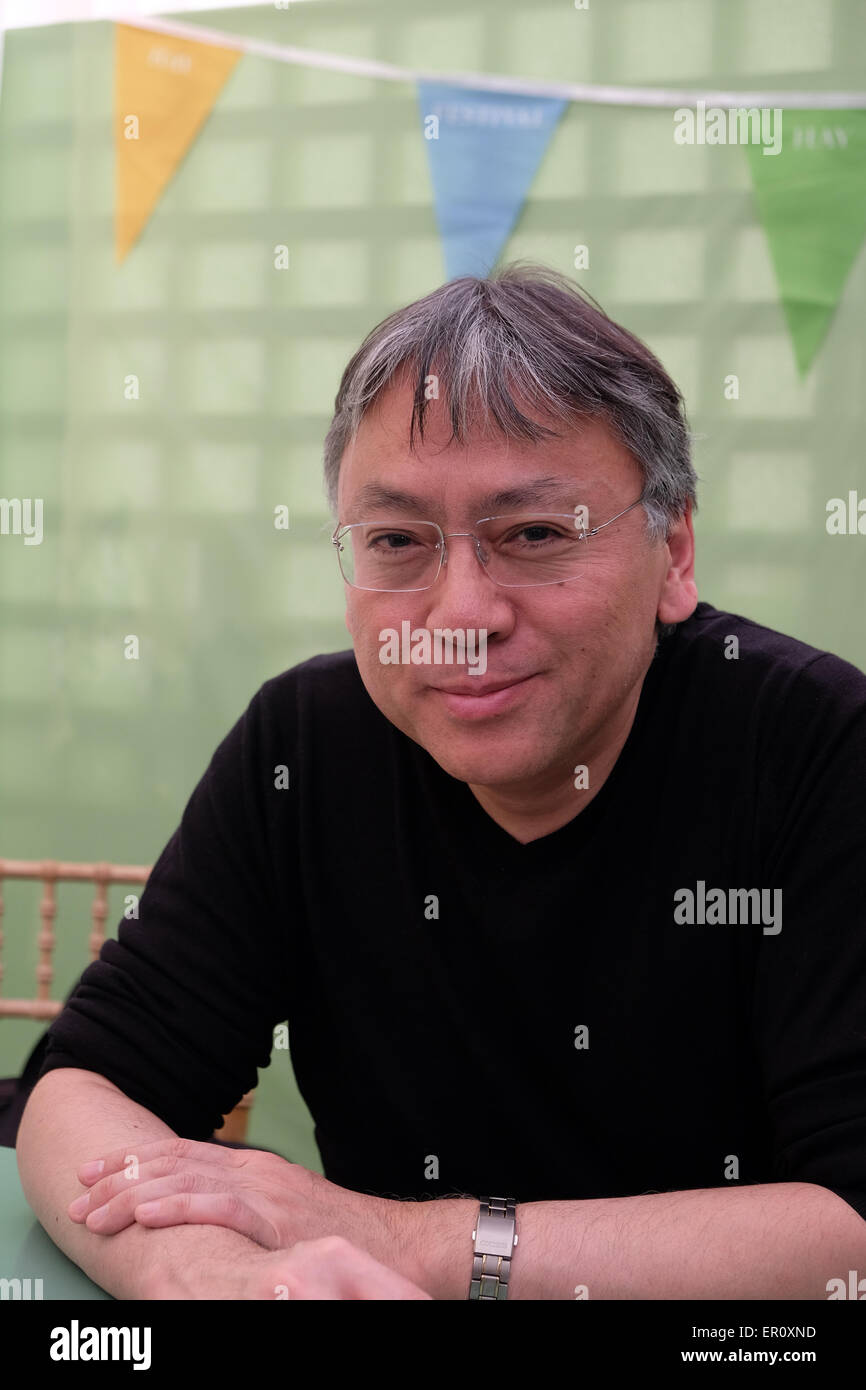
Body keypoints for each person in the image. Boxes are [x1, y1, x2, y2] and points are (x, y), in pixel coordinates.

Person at [16, 263, 866, 1300]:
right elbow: (83, 1085)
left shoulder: (814, 745)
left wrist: (398, 1238)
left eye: (535, 535)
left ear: (673, 550)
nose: (461, 609)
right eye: (396, 542)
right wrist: (200, 1272)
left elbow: (852, 1230)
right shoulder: (303, 746)